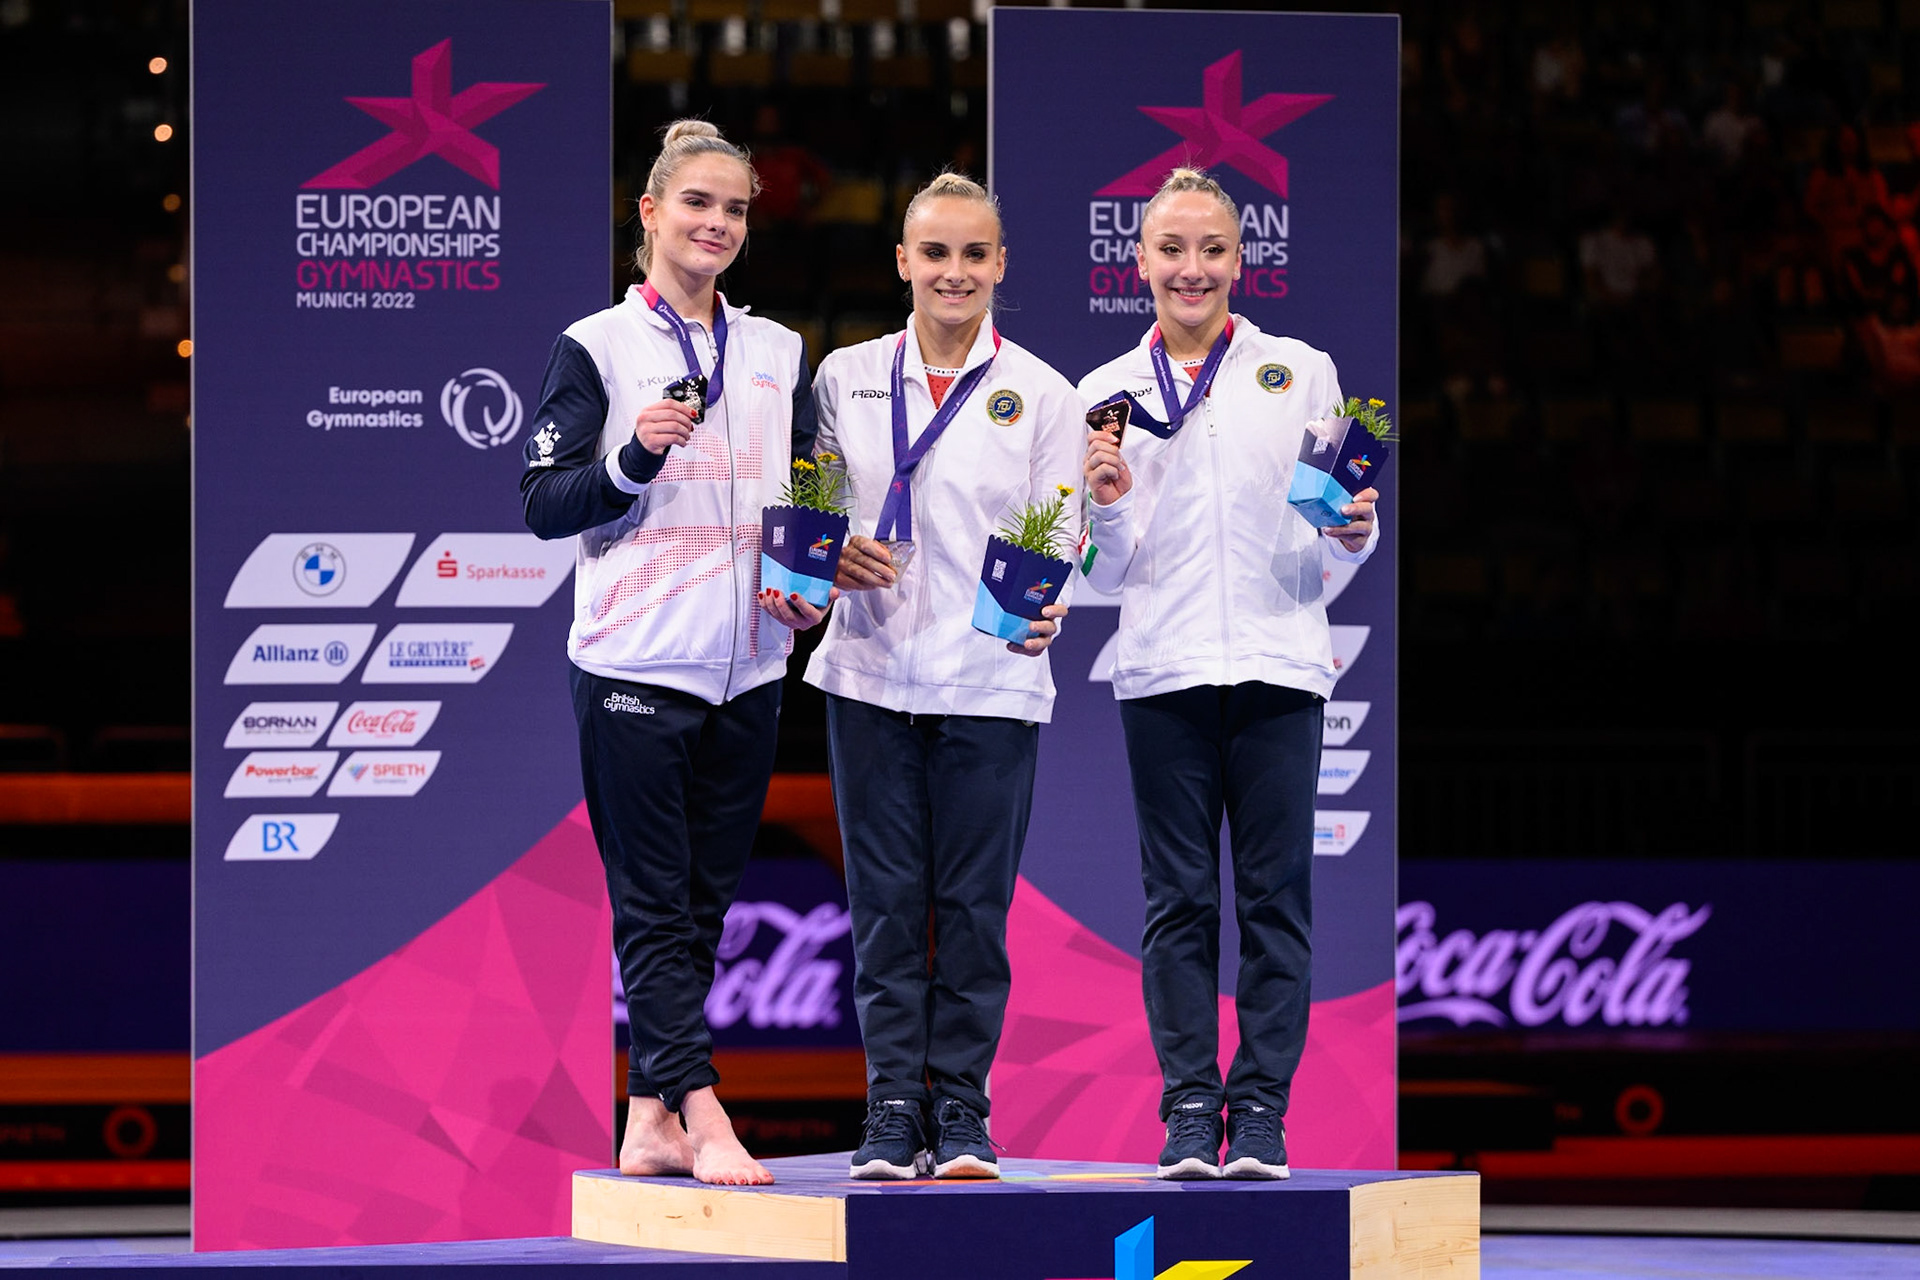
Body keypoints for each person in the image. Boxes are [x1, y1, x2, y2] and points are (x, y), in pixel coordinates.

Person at [519, 119, 828, 1187]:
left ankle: (645, 1113)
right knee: (653, 899)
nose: (717, 223)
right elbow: (543, 504)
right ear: (650, 212)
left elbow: (796, 492)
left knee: (703, 905)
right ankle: (702, 1108)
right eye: (697, 202)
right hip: (633, 660)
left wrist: (810, 572)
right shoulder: (596, 345)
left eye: (735, 208)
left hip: (749, 663)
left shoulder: (779, 349)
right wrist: (631, 455)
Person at [770, 172, 1082, 1181]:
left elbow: (1063, 534)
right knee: (889, 905)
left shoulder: (1044, 392)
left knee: (975, 905)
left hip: (990, 681)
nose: (954, 272)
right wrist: (826, 556)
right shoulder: (846, 377)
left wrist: (1050, 601)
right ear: (903, 261)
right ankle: (894, 1107)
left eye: (973, 255)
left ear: (999, 267)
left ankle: (965, 1112)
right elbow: (810, 513)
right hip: (869, 672)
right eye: (935, 253)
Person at [1078, 167, 1380, 1181]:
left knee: (1276, 900)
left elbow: (1330, 552)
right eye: (1172, 249)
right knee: (1176, 904)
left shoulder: (1301, 371)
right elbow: (1098, 571)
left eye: (1211, 249)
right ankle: (1188, 1110)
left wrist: (1356, 529)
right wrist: (1108, 503)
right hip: (1162, 672)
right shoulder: (1104, 396)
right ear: (1142, 263)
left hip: (1279, 665)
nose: (1192, 267)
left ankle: (1259, 1110)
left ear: (1240, 261)